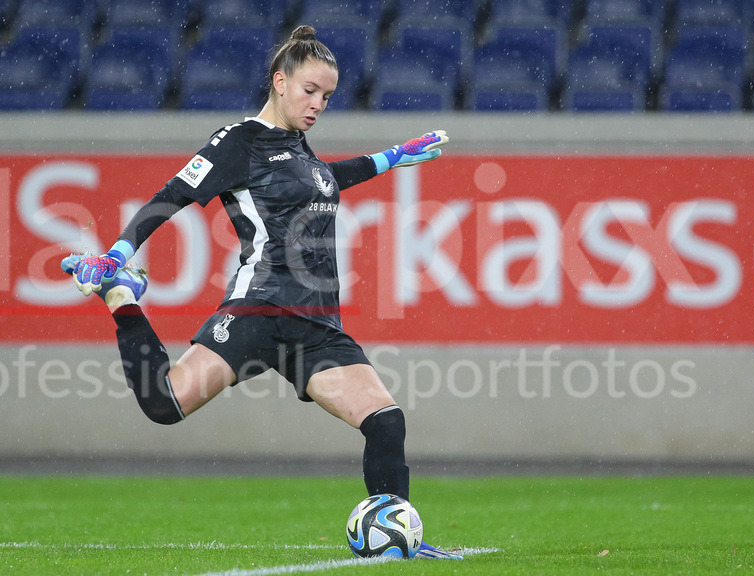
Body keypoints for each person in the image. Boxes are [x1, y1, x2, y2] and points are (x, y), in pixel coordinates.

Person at [62, 25, 460, 560]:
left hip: (316, 325)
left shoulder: (297, 145)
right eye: (310, 91)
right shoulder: (238, 141)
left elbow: (322, 178)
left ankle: (398, 543)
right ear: (279, 82)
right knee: (164, 404)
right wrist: (116, 254)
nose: (318, 104)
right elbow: (170, 197)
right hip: (258, 309)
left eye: (327, 97)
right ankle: (122, 296)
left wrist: (389, 158)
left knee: (385, 421)